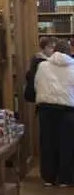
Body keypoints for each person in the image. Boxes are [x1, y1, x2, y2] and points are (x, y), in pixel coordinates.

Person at [34, 39, 74, 187]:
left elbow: (37, 85)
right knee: (67, 146)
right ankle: (65, 178)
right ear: (69, 51)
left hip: (46, 110)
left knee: (47, 144)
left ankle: (49, 178)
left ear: (55, 50)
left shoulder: (43, 66)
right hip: (68, 111)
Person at [24, 36, 56, 103]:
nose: (53, 50)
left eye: (54, 48)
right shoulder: (40, 61)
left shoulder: (38, 57)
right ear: (43, 48)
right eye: (50, 47)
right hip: (40, 94)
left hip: (39, 94)